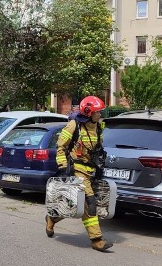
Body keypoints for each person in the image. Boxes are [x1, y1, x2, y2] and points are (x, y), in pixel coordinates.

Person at [45, 95, 113, 252]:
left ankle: (52, 218)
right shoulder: (73, 126)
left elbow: (98, 148)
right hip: (77, 169)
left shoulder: (98, 127)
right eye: (98, 112)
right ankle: (96, 240)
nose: (100, 114)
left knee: (74, 205)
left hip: (91, 171)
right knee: (90, 202)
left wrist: (99, 163)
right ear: (88, 112)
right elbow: (61, 148)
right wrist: (62, 167)